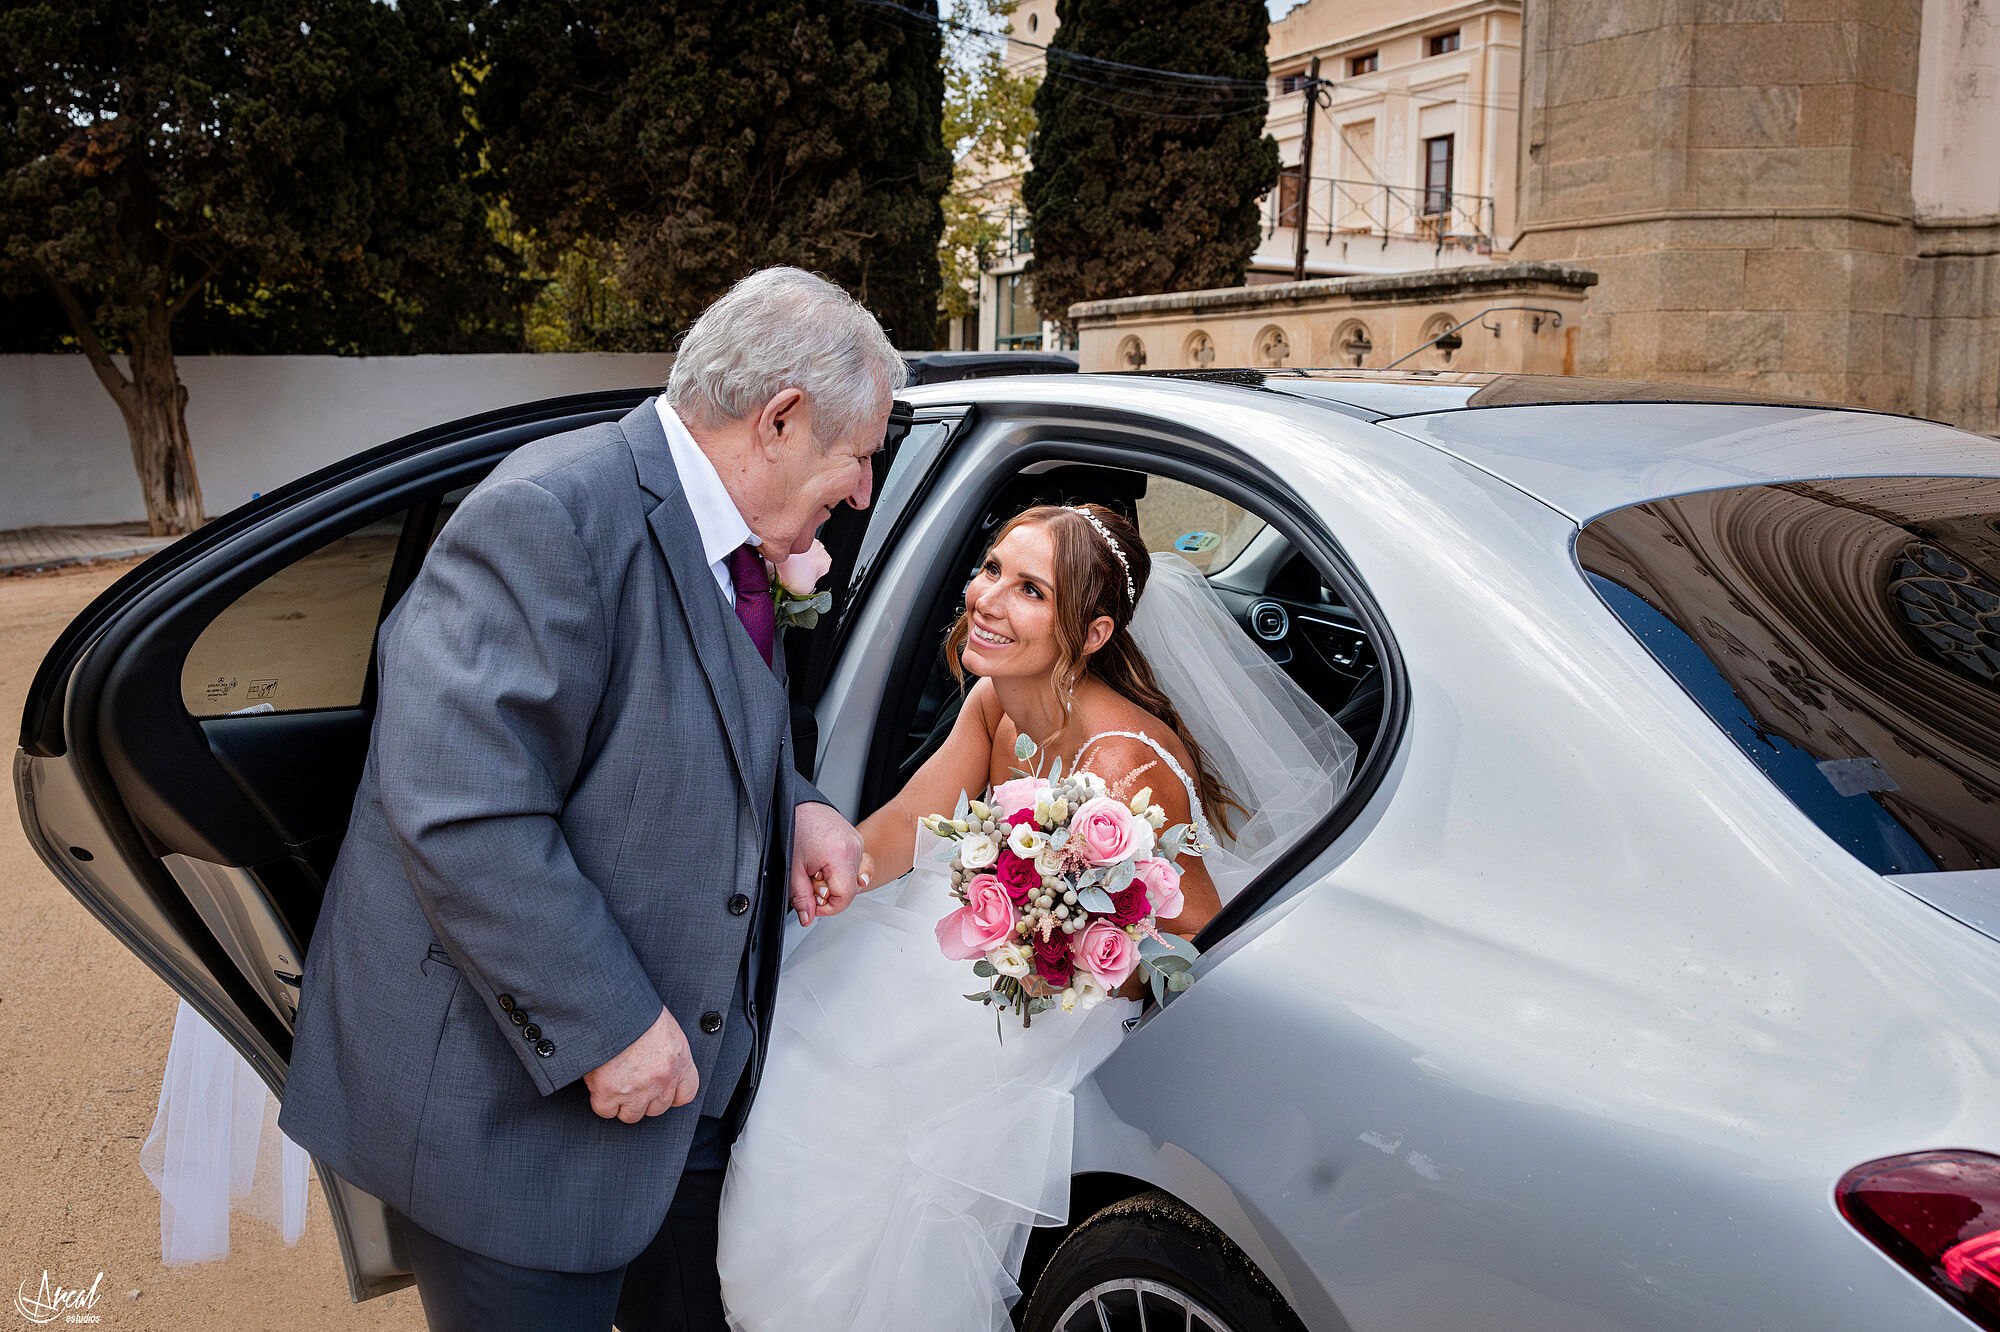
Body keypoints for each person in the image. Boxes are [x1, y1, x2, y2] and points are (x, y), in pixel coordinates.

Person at [275, 267, 900, 1332]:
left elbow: (687, 716)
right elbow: (464, 809)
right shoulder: (547, 515)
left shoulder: (731, 532)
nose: (862, 491)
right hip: (521, 1122)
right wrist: (607, 1025)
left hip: (692, 1102)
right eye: (859, 455)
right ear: (780, 420)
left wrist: (794, 802)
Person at [716, 502, 1358, 1330]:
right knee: (813, 1053)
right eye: (991, 569)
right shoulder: (995, 699)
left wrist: (1069, 949)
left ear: (1091, 634)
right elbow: (913, 818)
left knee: (873, 1118)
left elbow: (1197, 937)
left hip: (1073, 1007)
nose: (987, 599)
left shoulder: (1124, 763)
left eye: (1030, 590)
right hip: (986, 956)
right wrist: (830, 874)